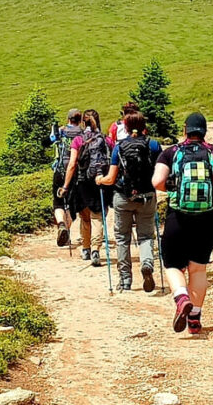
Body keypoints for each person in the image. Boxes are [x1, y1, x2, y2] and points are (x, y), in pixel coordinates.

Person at [153, 112, 213, 335]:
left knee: (171, 264)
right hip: (208, 219)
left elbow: (157, 181)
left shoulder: (171, 153)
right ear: (204, 132)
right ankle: (195, 319)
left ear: (185, 130)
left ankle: (181, 299)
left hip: (177, 217)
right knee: (198, 269)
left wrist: (172, 189)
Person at [97, 112, 161, 292]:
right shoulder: (154, 145)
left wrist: (100, 180)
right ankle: (147, 264)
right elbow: (162, 172)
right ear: (144, 127)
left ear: (125, 127)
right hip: (147, 196)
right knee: (146, 236)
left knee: (122, 238)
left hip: (123, 197)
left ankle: (125, 280)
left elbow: (110, 178)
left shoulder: (120, 147)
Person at [61, 109, 110, 266]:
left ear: (84, 122)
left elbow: (72, 164)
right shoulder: (106, 139)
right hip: (99, 181)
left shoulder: (79, 139)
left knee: (85, 217)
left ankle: (86, 248)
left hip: (82, 182)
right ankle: (96, 249)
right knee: (98, 216)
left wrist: (65, 186)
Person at [50, 109, 85, 248]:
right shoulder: (83, 134)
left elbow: (47, 141)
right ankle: (67, 231)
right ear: (79, 119)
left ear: (68, 119)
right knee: (71, 204)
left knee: (58, 202)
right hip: (76, 172)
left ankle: (61, 225)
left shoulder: (60, 131)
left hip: (59, 170)